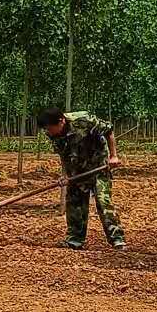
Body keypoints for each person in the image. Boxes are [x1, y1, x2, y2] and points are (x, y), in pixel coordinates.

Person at [37, 107, 126, 251]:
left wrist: (113, 156)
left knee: (103, 201)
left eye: (50, 128)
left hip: (98, 165)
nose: (48, 132)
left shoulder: (84, 120)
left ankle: (117, 239)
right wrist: (66, 175)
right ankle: (75, 240)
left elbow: (108, 130)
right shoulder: (52, 133)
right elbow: (63, 154)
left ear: (61, 121)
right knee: (74, 203)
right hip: (77, 169)